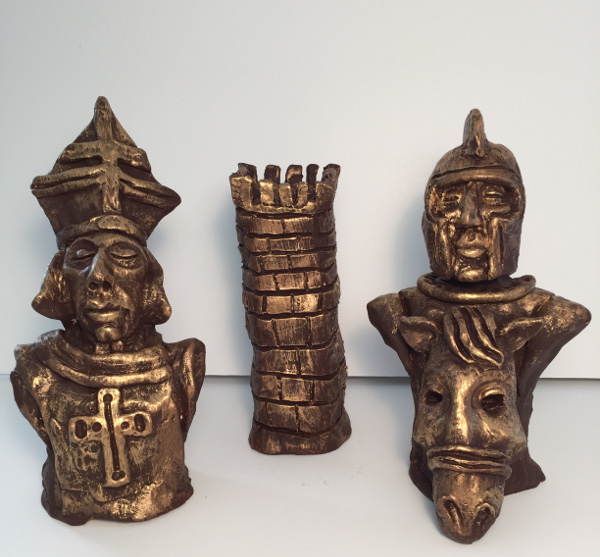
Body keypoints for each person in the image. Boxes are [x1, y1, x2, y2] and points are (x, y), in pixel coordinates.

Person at [368, 109, 590, 498]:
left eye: (492, 199)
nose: (470, 219)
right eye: (451, 200)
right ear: (428, 220)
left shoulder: (552, 316)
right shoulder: (396, 311)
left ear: (518, 216)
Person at [11, 97, 205, 524]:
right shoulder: (35, 372)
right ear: (60, 279)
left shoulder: (183, 365)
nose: (100, 276)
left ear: (149, 280)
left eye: (124, 256)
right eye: (82, 255)